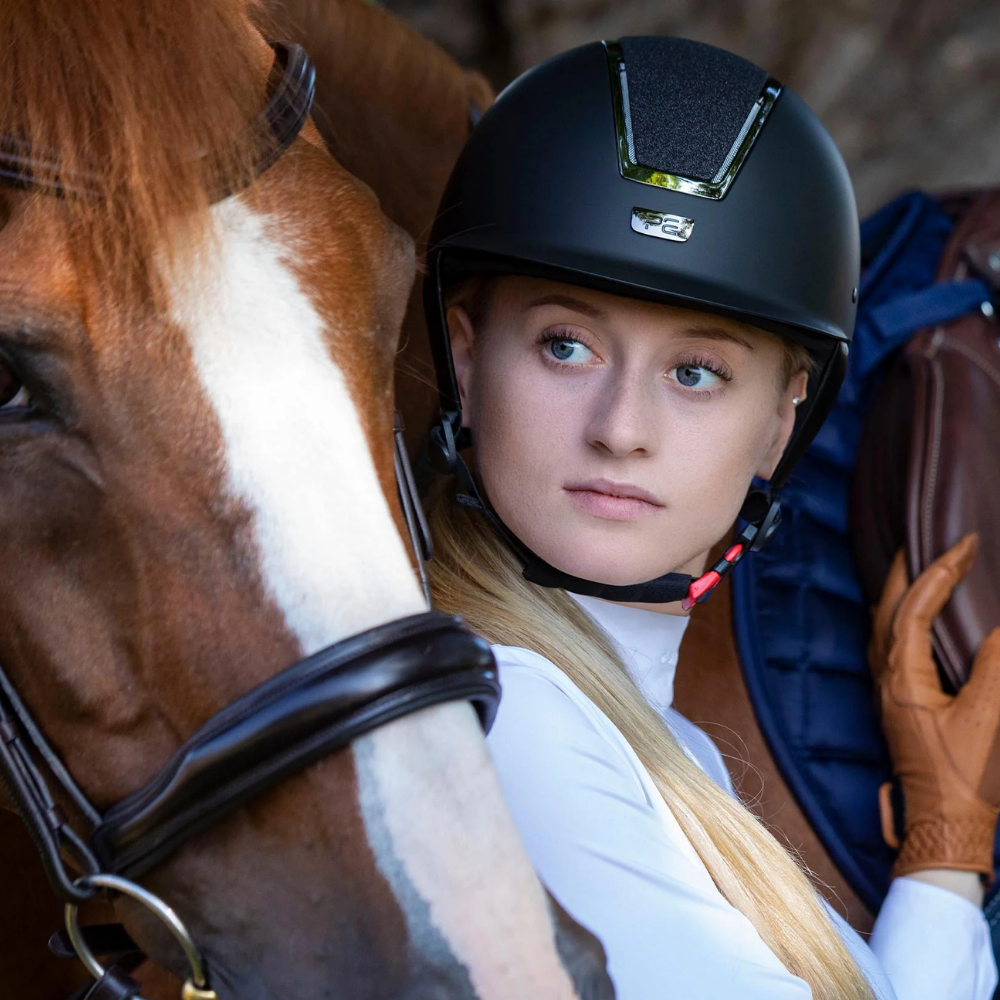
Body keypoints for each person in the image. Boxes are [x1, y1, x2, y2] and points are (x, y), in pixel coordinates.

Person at [422, 35, 1000, 1000]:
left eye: (696, 372)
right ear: (468, 357)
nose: (622, 430)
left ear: (782, 423)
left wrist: (945, 841)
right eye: (566, 346)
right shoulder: (499, 712)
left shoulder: (650, 734)